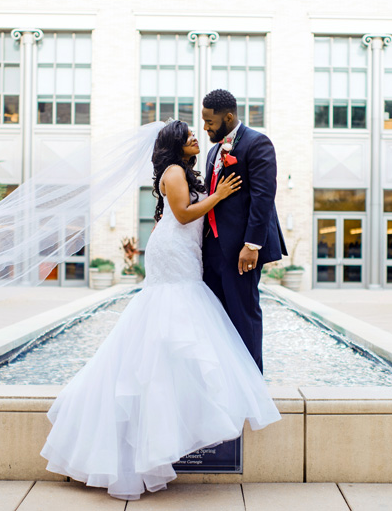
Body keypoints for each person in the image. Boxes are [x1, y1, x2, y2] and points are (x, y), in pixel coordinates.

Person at [40, 119, 281, 501]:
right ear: (175, 144)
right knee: (175, 310)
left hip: (181, 247)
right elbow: (184, 214)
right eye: (188, 136)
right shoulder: (172, 171)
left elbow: (179, 215)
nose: (195, 138)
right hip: (175, 251)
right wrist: (218, 196)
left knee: (181, 316)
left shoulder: (181, 170)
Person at [201, 89, 288, 373]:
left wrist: (252, 245)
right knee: (215, 319)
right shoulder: (214, 151)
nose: (205, 128)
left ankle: (252, 386)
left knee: (244, 315)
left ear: (228, 117)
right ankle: (226, 381)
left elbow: (263, 197)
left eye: (210, 122)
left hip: (241, 249)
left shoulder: (257, 143)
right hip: (212, 249)